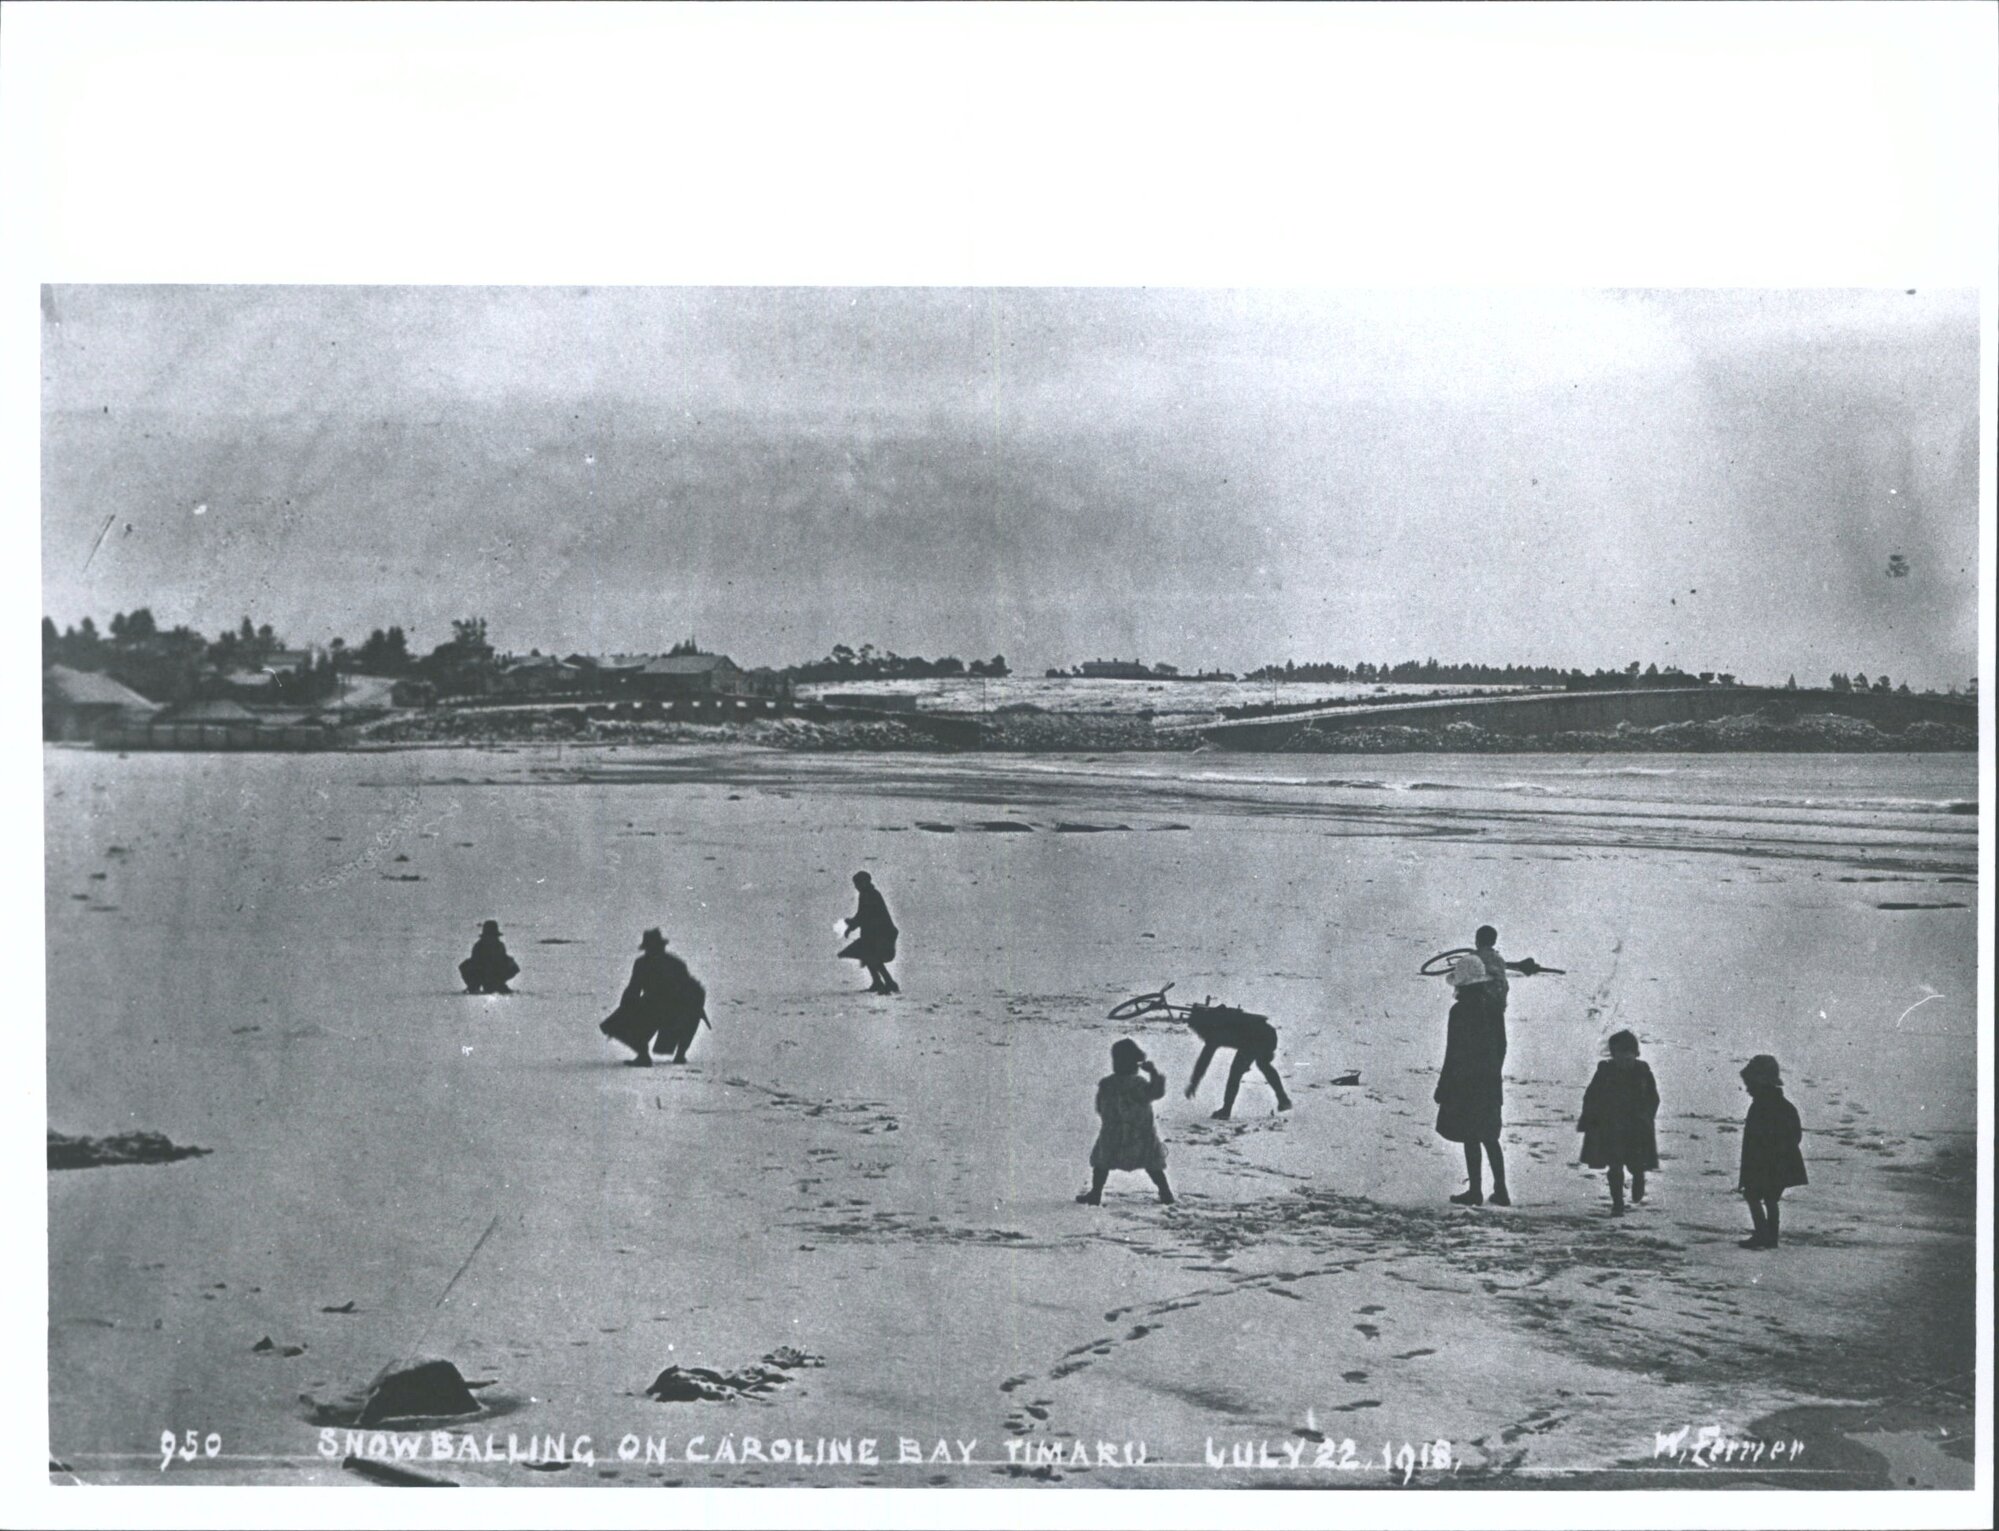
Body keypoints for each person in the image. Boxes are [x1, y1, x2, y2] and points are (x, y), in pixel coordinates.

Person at [1434, 953, 1510, 1206]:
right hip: (1489, 1082)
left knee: (1471, 1137)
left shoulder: (1460, 1012)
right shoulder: (1494, 1008)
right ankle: (1501, 1190)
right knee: (1490, 1137)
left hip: (1465, 1084)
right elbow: (1502, 1046)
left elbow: (1453, 1052)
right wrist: (1492, 1072)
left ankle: (1475, 1190)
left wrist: (1444, 1087)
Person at [1079, 1038, 1174, 1206]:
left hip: (1112, 1133)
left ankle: (1096, 1193)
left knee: (1102, 1163)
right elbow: (1156, 1092)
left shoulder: (1107, 1084)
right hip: (1140, 1134)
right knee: (1152, 1163)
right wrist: (1153, 1073)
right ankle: (1165, 1192)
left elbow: (1100, 1108)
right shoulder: (1138, 1084)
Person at [1578, 1029, 1660, 1216]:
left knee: (1636, 1163)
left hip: (1636, 1129)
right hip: (1611, 1127)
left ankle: (1638, 1178)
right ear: (1613, 1055)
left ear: (1636, 1054)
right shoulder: (1605, 1071)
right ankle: (1618, 1204)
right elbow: (1591, 1096)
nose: (1625, 1059)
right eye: (1620, 1055)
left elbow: (1653, 1098)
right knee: (1614, 1167)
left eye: (1629, 1054)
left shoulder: (1643, 1073)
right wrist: (1590, 1119)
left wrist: (1646, 1117)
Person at [599, 928, 707, 1067]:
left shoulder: (646, 963)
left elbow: (634, 989)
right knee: (691, 1016)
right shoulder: (674, 963)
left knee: (620, 1024)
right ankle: (675, 1055)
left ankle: (647, 1056)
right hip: (668, 1008)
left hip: (662, 1008)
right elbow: (634, 989)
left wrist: (624, 1011)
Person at [1737, 1054, 1806, 1249]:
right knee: (1771, 1199)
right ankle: (1771, 1236)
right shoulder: (1786, 1107)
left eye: (1750, 1085)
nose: (1748, 1090)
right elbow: (1796, 1136)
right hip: (1782, 1165)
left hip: (1762, 1165)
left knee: (1753, 1196)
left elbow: (1752, 1142)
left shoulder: (1760, 1108)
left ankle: (1762, 1233)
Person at [1183, 1000, 1293, 1120]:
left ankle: (1226, 1110)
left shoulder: (1214, 1032)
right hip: (1268, 1034)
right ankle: (1283, 1099)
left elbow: (1204, 1059)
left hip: (1256, 1038)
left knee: (1236, 1072)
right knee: (1263, 1064)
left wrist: (1194, 1083)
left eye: (1196, 1029)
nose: (1198, 1034)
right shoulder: (1218, 1021)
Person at [839, 871, 899, 994]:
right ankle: (883, 982)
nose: (856, 886)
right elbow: (863, 915)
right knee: (869, 955)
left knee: (871, 956)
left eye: (857, 883)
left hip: (880, 934)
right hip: (876, 934)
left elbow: (864, 915)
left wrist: (851, 925)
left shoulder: (869, 895)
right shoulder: (868, 894)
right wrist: (852, 924)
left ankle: (885, 982)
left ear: (865, 882)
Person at [458, 920, 519, 994]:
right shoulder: (479, 946)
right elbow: (474, 962)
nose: (492, 939)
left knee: (512, 965)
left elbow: (504, 960)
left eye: (493, 936)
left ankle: (498, 985)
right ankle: (474, 986)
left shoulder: (500, 946)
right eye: (490, 936)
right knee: (466, 965)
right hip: (481, 973)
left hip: (496, 974)